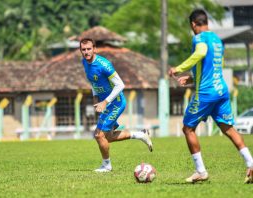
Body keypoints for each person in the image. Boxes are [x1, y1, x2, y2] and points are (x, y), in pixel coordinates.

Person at [168, 9, 253, 183]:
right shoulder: (217, 40)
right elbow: (210, 68)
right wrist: (191, 78)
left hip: (206, 93)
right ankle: (251, 163)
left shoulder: (199, 38)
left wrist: (178, 68)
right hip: (221, 90)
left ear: (193, 24)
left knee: (188, 128)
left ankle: (200, 171)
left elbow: (200, 53)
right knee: (228, 129)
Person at [80, 38, 153, 172]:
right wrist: (95, 97)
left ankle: (107, 166)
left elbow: (120, 84)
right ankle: (140, 134)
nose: (86, 52)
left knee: (98, 135)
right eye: (83, 50)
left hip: (115, 103)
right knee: (108, 137)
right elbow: (93, 82)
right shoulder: (84, 62)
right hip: (104, 103)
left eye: (89, 49)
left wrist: (105, 102)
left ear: (94, 49)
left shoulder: (104, 65)